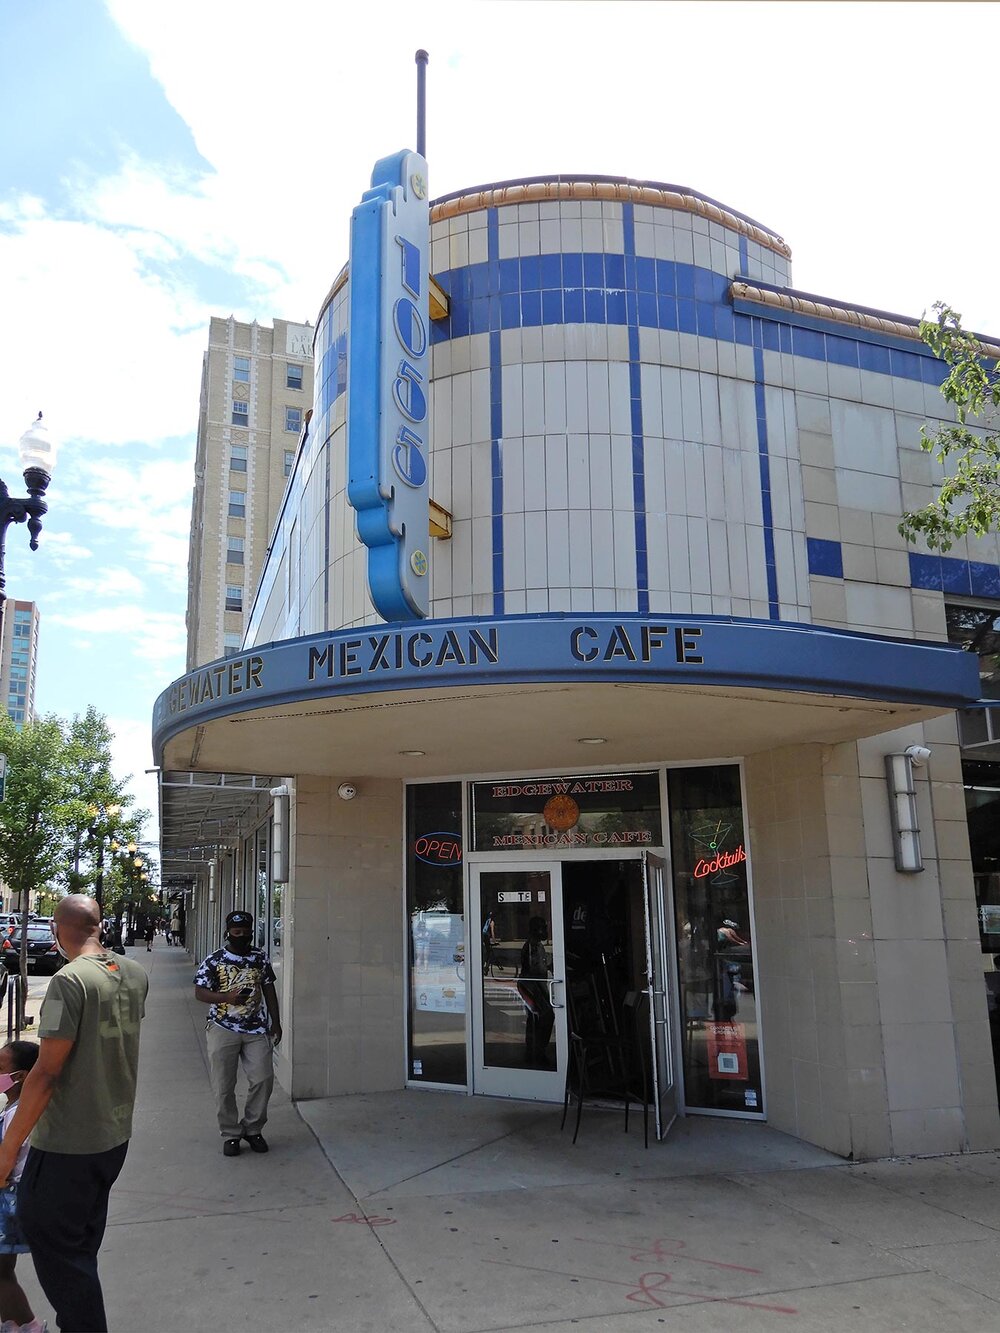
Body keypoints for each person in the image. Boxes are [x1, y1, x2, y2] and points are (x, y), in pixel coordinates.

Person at [0, 894, 148, 1333]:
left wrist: (7, 1154)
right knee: (80, 1246)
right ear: (97, 924)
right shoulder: (134, 973)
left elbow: (45, 1073)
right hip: (112, 1135)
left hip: (68, 1143)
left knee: (59, 1251)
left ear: (58, 928)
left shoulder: (69, 981)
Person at [195, 910, 282, 1156]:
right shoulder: (214, 960)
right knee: (224, 1085)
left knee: (263, 1078)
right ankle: (231, 1133)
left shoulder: (260, 958)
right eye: (236, 932)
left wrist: (276, 1021)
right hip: (223, 1027)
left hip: (256, 1028)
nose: (241, 936)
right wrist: (227, 997)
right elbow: (200, 992)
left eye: (245, 932)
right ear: (228, 932)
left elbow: (269, 990)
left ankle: (253, 1128)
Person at [0, 1039, 45, 1333]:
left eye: (1, 1067)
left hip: (9, 1198)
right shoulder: (17, 1107)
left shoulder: (20, 1114)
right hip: (12, 1195)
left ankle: (27, 1325)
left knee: (1, 1271)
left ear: (22, 1076)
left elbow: (6, 1162)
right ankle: (11, 1322)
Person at [517, 916, 554, 1068]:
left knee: (535, 1019)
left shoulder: (536, 945)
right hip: (532, 986)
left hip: (535, 985)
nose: (545, 931)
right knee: (545, 1016)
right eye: (543, 928)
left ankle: (533, 1051)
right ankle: (537, 1051)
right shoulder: (532, 946)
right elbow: (534, 969)